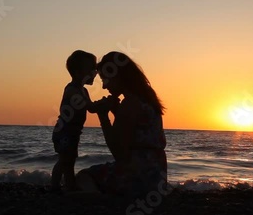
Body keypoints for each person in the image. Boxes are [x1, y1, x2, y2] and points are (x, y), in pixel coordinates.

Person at [76, 52, 167, 198]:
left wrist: (103, 115)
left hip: (136, 178)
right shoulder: (147, 97)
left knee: (84, 176)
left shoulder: (130, 104)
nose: (105, 86)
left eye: (105, 80)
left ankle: (98, 198)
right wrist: (116, 111)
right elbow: (133, 131)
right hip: (156, 179)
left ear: (117, 76)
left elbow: (119, 153)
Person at [50, 50, 118, 192]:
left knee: (69, 159)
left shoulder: (83, 91)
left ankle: (66, 185)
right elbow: (90, 107)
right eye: (92, 69)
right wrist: (105, 104)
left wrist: (102, 104)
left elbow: (91, 107)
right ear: (78, 72)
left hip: (73, 132)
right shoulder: (72, 90)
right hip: (64, 132)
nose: (95, 73)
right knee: (65, 160)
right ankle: (59, 186)